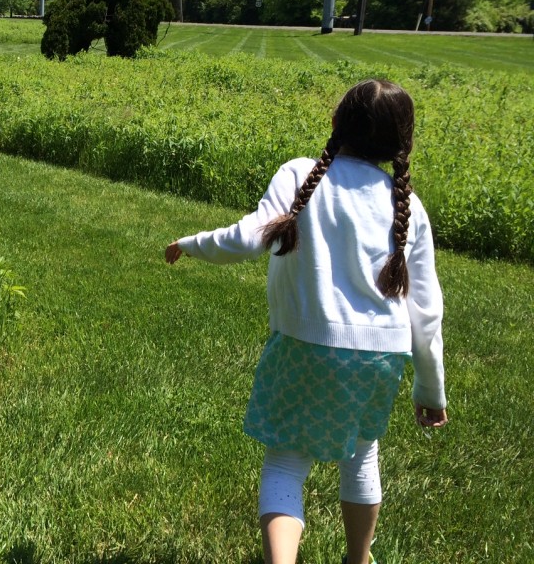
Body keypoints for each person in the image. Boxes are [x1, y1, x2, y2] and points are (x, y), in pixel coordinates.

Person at [165, 79, 447, 564]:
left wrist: (190, 243)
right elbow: (426, 308)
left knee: (286, 462)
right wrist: (430, 391)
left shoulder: (300, 174)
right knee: (361, 456)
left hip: (304, 346)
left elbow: (249, 236)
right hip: (380, 358)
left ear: (336, 122)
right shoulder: (408, 207)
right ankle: (358, 559)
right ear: (403, 142)